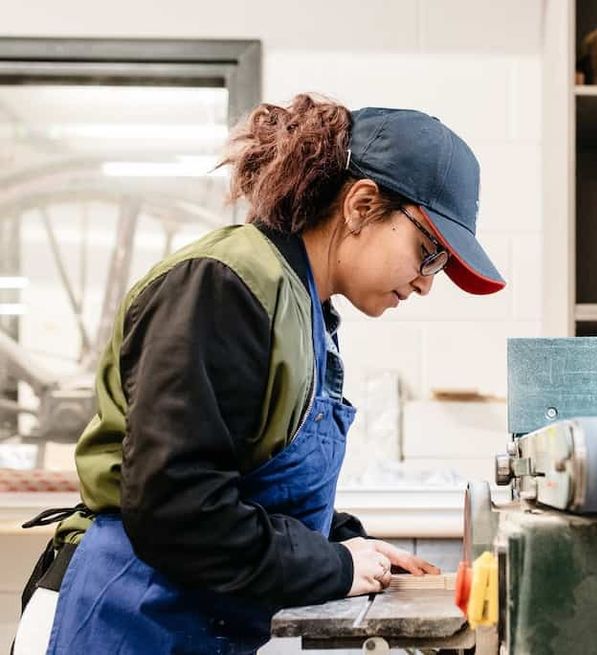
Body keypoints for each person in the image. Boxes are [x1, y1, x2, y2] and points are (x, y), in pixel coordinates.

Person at [14, 93, 506, 654]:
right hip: (119, 616)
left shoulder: (305, 310)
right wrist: (334, 565)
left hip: (181, 622)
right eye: (427, 253)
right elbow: (177, 507)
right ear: (362, 205)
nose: (425, 283)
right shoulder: (225, 286)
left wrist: (344, 539)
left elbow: (248, 481)